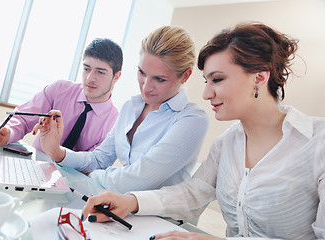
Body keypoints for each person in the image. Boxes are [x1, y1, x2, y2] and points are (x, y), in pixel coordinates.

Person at [79, 22, 325, 239]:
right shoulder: (227, 143)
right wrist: (132, 201)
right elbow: (192, 193)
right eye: (206, 81)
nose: (207, 93)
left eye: (217, 80)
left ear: (259, 78)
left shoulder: (318, 143)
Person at [33, 26, 209, 193]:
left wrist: (91, 175)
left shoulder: (192, 119)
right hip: (117, 204)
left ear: (185, 76)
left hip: (155, 219)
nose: (146, 86)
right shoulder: (131, 108)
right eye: (142, 72)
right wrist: (57, 151)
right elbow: (99, 159)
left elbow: (136, 180)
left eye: (160, 79)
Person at [0, 38, 122, 153]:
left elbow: (93, 163)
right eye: (86, 69)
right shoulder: (60, 90)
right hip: (35, 168)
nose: (90, 78)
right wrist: (8, 132)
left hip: (72, 182)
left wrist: (57, 151)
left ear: (116, 76)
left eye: (100, 72)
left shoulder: (115, 122)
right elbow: (22, 118)